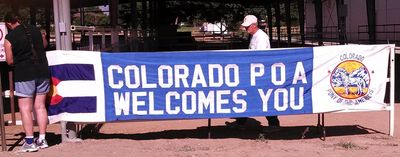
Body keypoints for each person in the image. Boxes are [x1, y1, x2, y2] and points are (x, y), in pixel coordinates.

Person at [3, 12, 50, 152]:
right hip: (42, 71)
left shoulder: (10, 37)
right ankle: (42, 139)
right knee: (40, 106)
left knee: (25, 108)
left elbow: (10, 60)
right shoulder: (35, 30)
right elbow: (45, 44)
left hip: (24, 73)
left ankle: (29, 141)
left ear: (8, 24)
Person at [225, 15, 280, 132]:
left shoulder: (261, 37)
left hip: (260, 74)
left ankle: (273, 124)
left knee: (263, 97)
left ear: (254, 25)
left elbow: (259, 57)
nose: (246, 29)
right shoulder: (255, 36)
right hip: (255, 73)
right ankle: (241, 122)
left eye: (248, 26)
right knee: (248, 96)